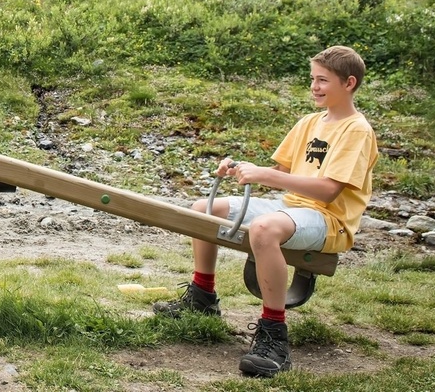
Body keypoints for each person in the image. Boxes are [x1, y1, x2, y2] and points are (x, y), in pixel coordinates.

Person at [152, 45, 379, 378]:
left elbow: (330, 190)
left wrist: (267, 175)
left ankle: (274, 335)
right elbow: (280, 170)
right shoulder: (310, 122)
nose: (314, 87)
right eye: (312, 79)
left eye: (323, 81)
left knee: (264, 229)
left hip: (330, 220)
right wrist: (240, 169)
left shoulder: (356, 130)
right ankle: (202, 296)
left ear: (349, 83)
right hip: (291, 207)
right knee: (203, 208)